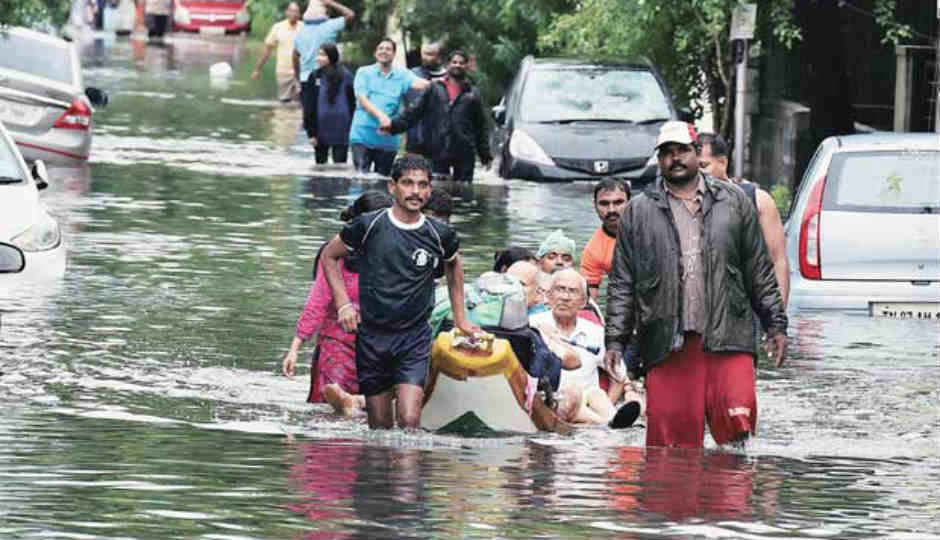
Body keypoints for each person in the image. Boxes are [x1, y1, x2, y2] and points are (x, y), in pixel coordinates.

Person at [604, 120, 788, 449]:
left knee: (737, 428)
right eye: (666, 153)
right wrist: (615, 341)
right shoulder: (638, 212)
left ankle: (730, 498)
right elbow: (622, 282)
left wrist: (776, 324)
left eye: (682, 151)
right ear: (659, 160)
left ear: (697, 154)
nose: (675, 159)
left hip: (729, 333)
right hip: (667, 340)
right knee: (670, 443)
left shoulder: (734, 202)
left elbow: (758, 268)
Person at [319, 154, 480, 430]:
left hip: (414, 338)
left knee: (409, 420)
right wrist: (344, 304)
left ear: (430, 190)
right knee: (379, 427)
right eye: (407, 183)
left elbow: (454, 266)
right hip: (372, 337)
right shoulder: (368, 226)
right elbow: (329, 256)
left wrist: (461, 319)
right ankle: (380, 473)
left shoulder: (440, 234)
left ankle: (408, 471)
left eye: (422, 185)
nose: (415, 191)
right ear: (392, 187)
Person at [281, 192, 392, 416]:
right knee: (329, 412)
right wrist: (295, 348)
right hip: (337, 344)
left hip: (376, 347)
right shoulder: (334, 255)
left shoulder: (395, 254)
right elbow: (317, 302)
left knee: (370, 416)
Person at [530, 269, 639, 427]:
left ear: (583, 301)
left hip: (589, 399)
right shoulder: (533, 325)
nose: (565, 297)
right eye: (560, 289)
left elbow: (618, 375)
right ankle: (606, 423)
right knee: (572, 393)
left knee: (597, 394)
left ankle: (614, 419)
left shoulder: (597, 332)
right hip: (551, 401)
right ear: (549, 295)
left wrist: (611, 400)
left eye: (572, 292)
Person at [697, 132, 790, 308]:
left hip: (748, 307)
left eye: (704, 165)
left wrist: (779, 317)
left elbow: (778, 260)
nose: (699, 173)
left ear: (722, 162)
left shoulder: (757, 200)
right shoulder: (687, 204)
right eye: (696, 167)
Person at [385, 50, 493, 182]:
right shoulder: (434, 88)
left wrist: (485, 156)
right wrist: (393, 126)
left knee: (464, 190)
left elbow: (480, 127)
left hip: (464, 152)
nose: (457, 65)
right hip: (436, 148)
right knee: (436, 189)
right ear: (448, 65)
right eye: (454, 62)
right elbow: (414, 112)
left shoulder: (473, 93)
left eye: (461, 63)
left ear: (466, 66)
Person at [348, 39, 429, 176]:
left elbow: (420, 83)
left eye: (388, 49)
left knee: (383, 181)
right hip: (363, 134)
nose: (384, 51)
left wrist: (442, 83)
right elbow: (362, 100)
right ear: (375, 53)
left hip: (388, 137)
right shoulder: (364, 72)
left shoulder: (402, 74)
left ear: (393, 54)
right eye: (380, 48)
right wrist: (382, 117)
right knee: (360, 178)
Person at [293, 0, 355, 147]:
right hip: (329, 78)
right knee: (332, 113)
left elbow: (294, 56)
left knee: (310, 116)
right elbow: (350, 14)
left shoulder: (300, 30)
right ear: (326, 13)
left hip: (305, 79)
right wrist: (331, 2)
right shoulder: (330, 26)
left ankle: (312, 141)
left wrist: (297, 79)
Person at [303, 43, 355, 164]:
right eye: (318, 55)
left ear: (331, 56)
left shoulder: (346, 76)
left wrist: (352, 129)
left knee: (340, 166)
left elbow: (352, 104)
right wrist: (311, 133)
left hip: (342, 129)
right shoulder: (315, 76)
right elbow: (309, 105)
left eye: (322, 55)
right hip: (320, 129)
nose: (318, 58)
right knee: (320, 166)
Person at [580, 178, 631, 300]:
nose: (611, 210)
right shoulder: (592, 250)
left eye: (618, 202)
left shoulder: (651, 228)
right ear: (594, 205)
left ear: (630, 202)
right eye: (604, 203)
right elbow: (589, 301)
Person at [251, 2, 302, 103]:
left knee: (299, 102)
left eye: (296, 11)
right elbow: (267, 51)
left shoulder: (304, 28)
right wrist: (257, 69)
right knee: (284, 102)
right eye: (291, 11)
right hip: (283, 72)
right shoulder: (278, 27)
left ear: (299, 14)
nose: (293, 14)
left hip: (301, 72)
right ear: (286, 12)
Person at [405, 42, 446, 158]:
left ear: (439, 57)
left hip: (440, 139)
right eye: (424, 54)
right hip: (415, 137)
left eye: (431, 54)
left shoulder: (448, 78)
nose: (426, 58)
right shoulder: (412, 75)